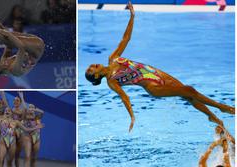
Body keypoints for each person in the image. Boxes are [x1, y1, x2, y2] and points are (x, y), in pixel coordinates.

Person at [85, 1, 235, 134]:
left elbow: (126, 39)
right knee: (190, 90)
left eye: (91, 66)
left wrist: (132, 17)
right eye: (91, 70)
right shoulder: (112, 81)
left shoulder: (113, 58)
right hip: (152, 86)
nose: (92, 66)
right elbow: (124, 97)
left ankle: (214, 119)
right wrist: (132, 116)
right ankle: (221, 107)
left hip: (155, 73)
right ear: (97, 76)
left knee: (187, 94)